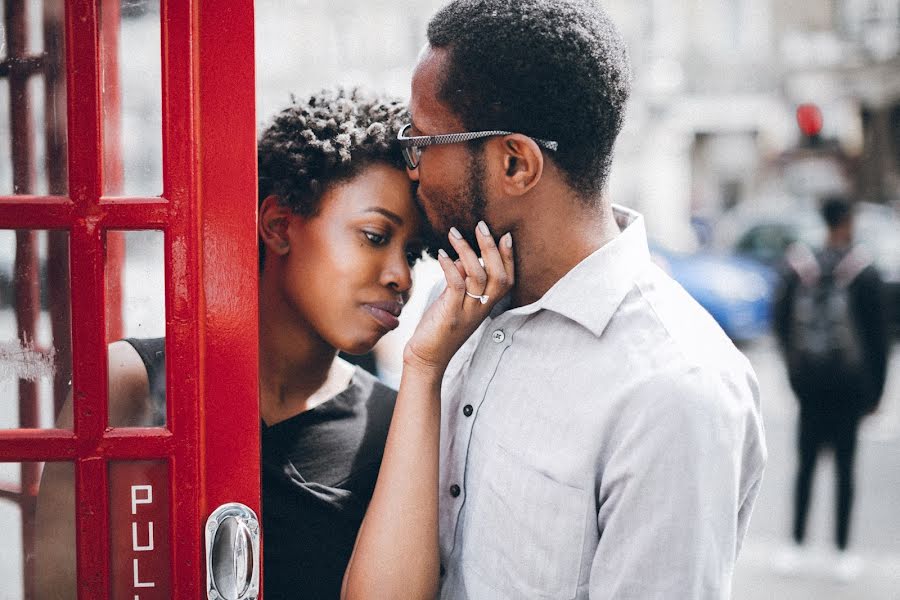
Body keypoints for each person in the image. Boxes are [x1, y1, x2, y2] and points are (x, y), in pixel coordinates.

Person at [34, 87, 513, 600]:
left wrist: (424, 367)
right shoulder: (133, 383)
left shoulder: (396, 425)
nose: (401, 277)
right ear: (279, 225)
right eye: (375, 236)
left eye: (414, 253)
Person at [380, 0, 768, 597]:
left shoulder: (674, 388)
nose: (411, 170)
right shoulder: (462, 310)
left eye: (423, 143)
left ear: (515, 163)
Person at [773, 195, 890, 580]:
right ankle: (841, 552)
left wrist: (793, 374)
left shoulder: (800, 268)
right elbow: (878, 339)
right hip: (849, 387)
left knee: (805, 465)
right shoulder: (865, 273)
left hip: (809, 384)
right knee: (845, 467)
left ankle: (795, 545)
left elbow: (781, 323)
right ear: (849, 222)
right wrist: (876, 394)